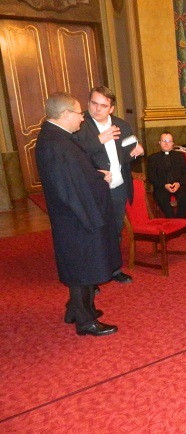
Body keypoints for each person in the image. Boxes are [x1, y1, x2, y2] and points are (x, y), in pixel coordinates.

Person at [36, 92, 121, 336]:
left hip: (75, 216)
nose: (82, 118)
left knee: (80, 266)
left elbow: (76, 175)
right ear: (65, 115)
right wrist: (100, 184)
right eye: (78, 113)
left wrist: (96, 175)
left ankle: (76, 309)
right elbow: (70, 189)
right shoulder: (55, 143)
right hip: (77, 218)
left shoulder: (58, 137)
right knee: (83, 268)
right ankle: (85, 322)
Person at [73, 85, 144, 284]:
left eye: (103, 106)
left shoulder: (122, 125)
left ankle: (114, 269)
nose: (97, 109)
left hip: (118, 188)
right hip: (93, 190)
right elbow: (74, 155)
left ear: (111, 108)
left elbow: (127, 153)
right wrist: (99, 140)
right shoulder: (79, 124)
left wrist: (136, 152)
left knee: (115, 230)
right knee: (93, 232)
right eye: (94, 103)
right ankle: (92, 278)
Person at [147, 132, 186, 219]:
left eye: (169, 141)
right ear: (159, 143)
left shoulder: (180, 156)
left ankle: (180, 216)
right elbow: (152, 177)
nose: (166, 143)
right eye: (164, 141)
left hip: (179, 185)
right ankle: (171, 218)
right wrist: (164, 185)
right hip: (162, 186)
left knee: (185, 195)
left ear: (172, 143)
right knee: (161, 197)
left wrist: (179, 183)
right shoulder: (153, 158)